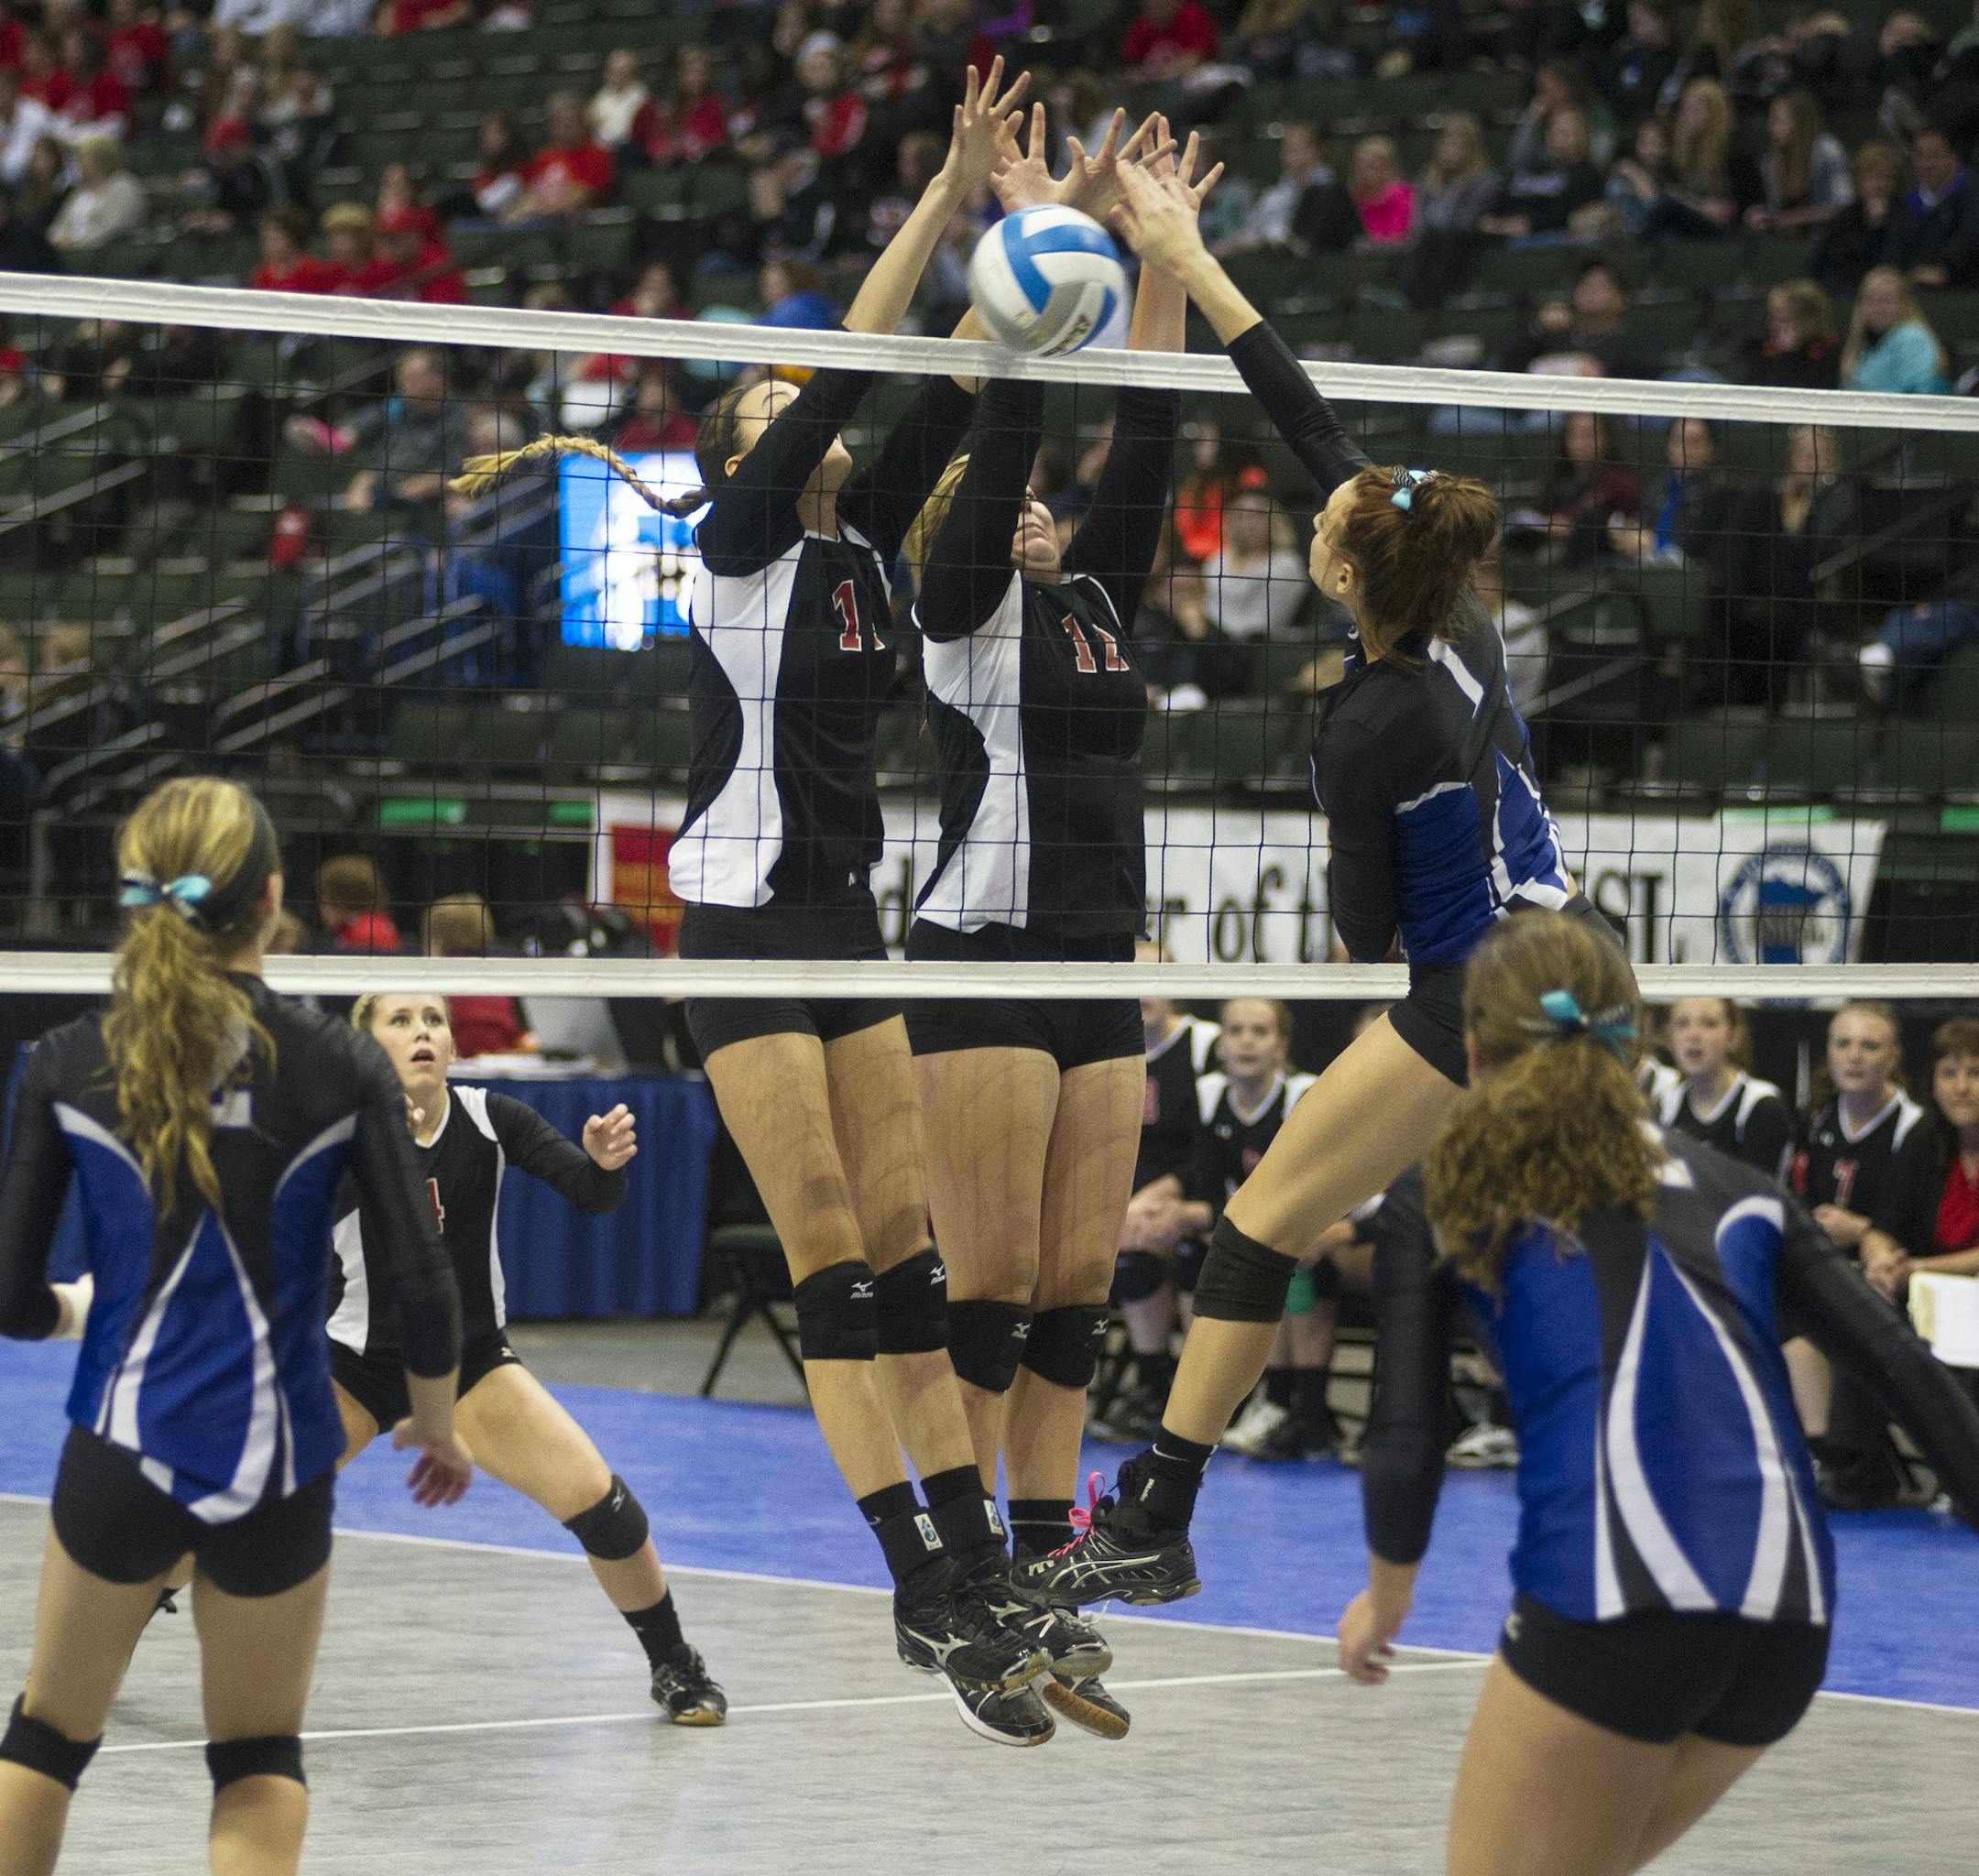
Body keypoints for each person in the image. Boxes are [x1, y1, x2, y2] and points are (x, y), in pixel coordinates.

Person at [453, 60, 1057, 1748]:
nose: (822, 415)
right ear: (744, 439)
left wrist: (1005, 229)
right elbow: (861, 359)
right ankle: (919, 1579)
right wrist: (939, 202)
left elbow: (944, 377)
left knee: (915, 1266)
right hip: (729, 931)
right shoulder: (733, 539)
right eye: (786, 400)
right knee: (837, 1270)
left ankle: (971, 1559)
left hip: (842, 926)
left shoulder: (862, 545)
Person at [1017, 157, 1612, 1613]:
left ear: (1347, 580)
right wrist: (1187, 255)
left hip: (1472, 992)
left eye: (1334, 529)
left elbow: (1364, 944)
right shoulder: (1455, 616)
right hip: (1576, 969)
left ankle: (1156, 1511)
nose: (1326, 513)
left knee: (1271, 1223)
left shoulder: (1366, 721)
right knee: (1559, 1245)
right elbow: (1309, 425)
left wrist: (1373, 1083)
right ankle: (1169, 1504)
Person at [1339, 910, 1979, 1876]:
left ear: (1471, 1052)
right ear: (1633, 1049)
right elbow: (1910, 1374)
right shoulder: (1740, 1188)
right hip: (1788, 1621)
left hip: (1617, 1600)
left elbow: (1405, 1434)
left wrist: (1386, 1599)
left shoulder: (1447, 1187)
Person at [0, 778, 471, 1876]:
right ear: (271, 897)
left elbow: (8, 1294)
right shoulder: (343, 1062)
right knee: (257, 1760)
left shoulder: (67, 1058)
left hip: (120, 1448)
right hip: (282, 1462)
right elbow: (423, 1280)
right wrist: (437, 1424)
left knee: (44, 1739)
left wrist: (75, 1307)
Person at [900, 108, 1206, 1745]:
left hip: (1098, 963)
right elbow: (1011, 442)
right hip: (979, 956)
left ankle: (1039, 1587)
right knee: (997, 1282)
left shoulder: (1091, 597)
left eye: (1033, 512)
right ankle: (956, 1593)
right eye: (1005, 503)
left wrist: (1152, 253)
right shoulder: (955, 603)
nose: (1029, 518)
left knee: (1080, 1293)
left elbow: (1145, 435)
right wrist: (1026, 247)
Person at [334, 993, 724, 1721]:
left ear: (453, 1047)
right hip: (353, 1364)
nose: (424, 1031)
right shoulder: (339, 1137)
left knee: (606, 1509)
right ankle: (97, 1654)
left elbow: (591, 1194)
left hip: (471, 1365)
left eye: (435, 1020)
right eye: (401, 1021)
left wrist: (605, 1165)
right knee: (237, 1507)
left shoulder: (489, 1117)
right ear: (364, 1051)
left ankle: (675, 1663)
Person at [1785, 1000, 1939, 1509]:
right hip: (1830, 1267)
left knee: (1852, 1314)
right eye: (1843, 1044)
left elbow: (1902, 1224)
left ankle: (1863, 1463)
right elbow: (1800, 1206)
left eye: (1870, 1046)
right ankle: (1823, 1453)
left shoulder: (1915, 1129)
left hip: (1902, 1271)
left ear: (1894, 1056)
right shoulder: (1819, 1120)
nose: (1854, 1057)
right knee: (1778, 1311)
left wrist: (1862, 1232)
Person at [1195, 1000, 1335, 1462]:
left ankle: (1305, 1411)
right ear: (1221, 1044)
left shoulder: (1304, 1094)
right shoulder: (1209, 1093)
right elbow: (1203, 1177)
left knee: (1289, 1258)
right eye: (1235, 1030)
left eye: (1260, 1031)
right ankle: (1268, 1403)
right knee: (1211, 1254)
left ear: (1282, 1046)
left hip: (1324, 1219)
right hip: (1252, 1225)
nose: (1247, 1040)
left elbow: (1324, 1177)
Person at [1106, 948, 1220, 1437]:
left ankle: (1201, 1393)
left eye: (1154, 976)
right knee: (1132, 1259)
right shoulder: (1106, 1044)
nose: (1143, 990)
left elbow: (1214, 1146)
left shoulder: (1205, 1045)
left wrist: (1162, 1196)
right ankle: (1154, 1385)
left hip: (1194, 1192)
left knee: (1164, 1239)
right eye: (1132, 977)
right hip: (1124, 1202)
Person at [1866, 1018, 1979, 1295]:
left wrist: (1917, 1269)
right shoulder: (1923, 1136)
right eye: (1949, 1073)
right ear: (1933, 1084)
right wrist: (1881, 1262)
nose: (1961, 1087)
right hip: (1926, 1299)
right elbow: (1881, 1227)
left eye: (1976, 1073)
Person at [1653, 997, 1793, 1174]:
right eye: (1682, 1024)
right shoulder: (1664, 1104)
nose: (1693, 1035)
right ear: (1669, 1036)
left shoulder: (1761, 1105)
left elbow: (1754, 1195)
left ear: (1734, 1037)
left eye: (1709, 1024)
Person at [1744, 90, 1852, 233]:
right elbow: (1777, 211)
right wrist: (1762, 215)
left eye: (1778, 120)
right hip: (1789, 241)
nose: (1771, 127)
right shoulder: (1771, 161)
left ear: (1798, 123)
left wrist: (1795, 218)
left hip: (1827, 238)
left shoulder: (1827, 150)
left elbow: (1842, 204)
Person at [1886, 125, 1979, 288]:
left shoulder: (1972, 193)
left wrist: (1944, 269)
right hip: (1912, 289)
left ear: (1953, 157)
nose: (1927, 164)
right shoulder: (1906, 203)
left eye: (1934, 155)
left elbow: (1969, 238)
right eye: (1919, 156)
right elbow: (1895, 250)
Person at [1840, 264, 1951, 394]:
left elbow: (1920, 393)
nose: (1877, 308)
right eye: (1870, 300)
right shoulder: (1861, 343)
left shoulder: (1912, 336)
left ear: (1904, 304)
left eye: (1886, 300)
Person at [1811, 141, 1904, 292]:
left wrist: (1877, 227)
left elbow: (1890, 265)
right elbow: (1821, 262)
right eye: (1871, 178)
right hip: (1836, 292)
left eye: (1886, 178)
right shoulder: (1845, 216)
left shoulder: (1903, 216)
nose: (1878, 185)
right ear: (1858, 181)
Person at [1744, 278, 1839, 389]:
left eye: (1783, 320)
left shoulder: (1829, 353)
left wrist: (1789, 354)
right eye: (1772, 318)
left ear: (1808, 321)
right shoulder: (1766, 352)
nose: (1775, 326)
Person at [317, 853, 400, 954]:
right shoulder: (354, 927)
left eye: (323, 895)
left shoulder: (368, 932)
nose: (321, 906)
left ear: (339, 899)